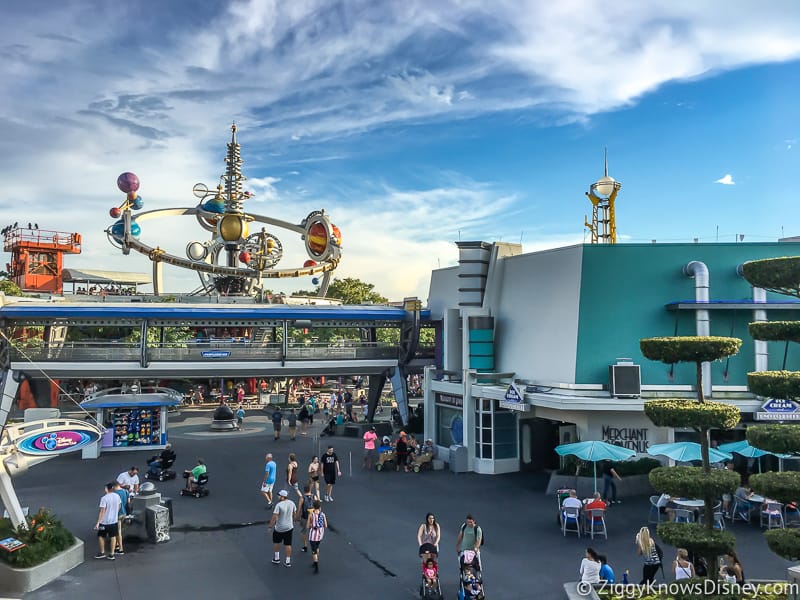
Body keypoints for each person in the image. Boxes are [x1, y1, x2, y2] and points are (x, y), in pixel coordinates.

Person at [94, 482, 122, 560]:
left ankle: (102, 552)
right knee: (113, 536)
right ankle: (112, 554)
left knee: (101, 536)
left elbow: (102, 511)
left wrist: (98, 522)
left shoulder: (104, 498)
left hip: (104, 522)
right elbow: (119, 506)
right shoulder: (117, 496)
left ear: (106, 489)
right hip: (114, 521)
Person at [269, 490, 297, 567]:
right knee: (288, 544)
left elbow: (274, 517)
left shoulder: (279, 505)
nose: (278, 496)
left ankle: (276, 558)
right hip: (289, 527)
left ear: (282, 497)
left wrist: (270, 526)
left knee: (276, 542)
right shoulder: (292, 503)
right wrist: (294, 521)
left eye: (279, 495)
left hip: (279, 528)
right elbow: (294, 514)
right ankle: (287, 561)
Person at [307, 498, 327, 574]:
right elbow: (326, 525)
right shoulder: (323, 514)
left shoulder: (311, 515)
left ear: (313, 507)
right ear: (320, 507)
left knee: (313, 551)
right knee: (317, 547)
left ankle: (316, 565)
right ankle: (316, 560)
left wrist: (312, 525)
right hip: (320, 535)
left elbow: (308, 526)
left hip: (313, 536)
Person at [298, 483, 317, 554]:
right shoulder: (314, 497)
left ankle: (305, 546)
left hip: (305, 517)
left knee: (303, 532)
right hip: (313, 517)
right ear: (310, 490)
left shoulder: (302, 498)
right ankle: (314, 546)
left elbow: (299, 509)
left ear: (304, 490)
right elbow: (318, 506)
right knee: (313, 531)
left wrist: (297, 517)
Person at [111, 481, 128, 556]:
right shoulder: (125, 491)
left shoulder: (115, 494)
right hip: (124, 513)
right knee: (120, 531)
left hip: (117, 514)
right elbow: (128, 502)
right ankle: (117, 545)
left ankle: (120, 549)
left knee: (118, 532)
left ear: (114, 486)